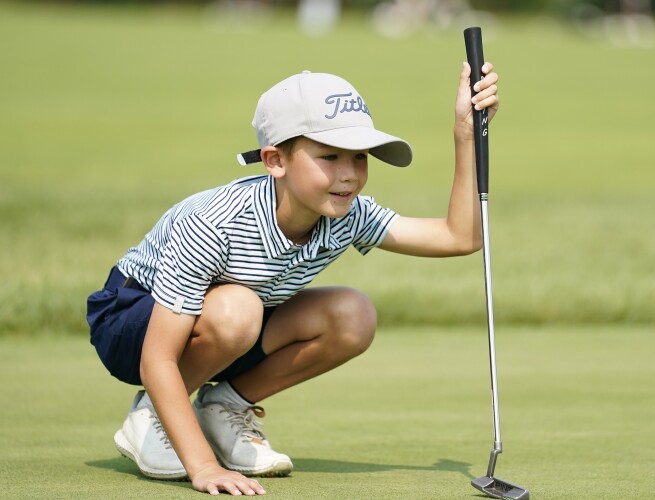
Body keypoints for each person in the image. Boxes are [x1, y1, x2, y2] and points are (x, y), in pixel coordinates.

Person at [86, 62, 500, 496]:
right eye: (330, 156)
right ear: (274, 160)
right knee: (238, 309)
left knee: (352, 315)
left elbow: (460, 236)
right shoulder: (214, 221)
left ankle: (223, 407)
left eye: (359, 157)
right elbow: (157, 357)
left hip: (227, 327)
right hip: (132, 322)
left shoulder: (347, 213)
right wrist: (204, 468)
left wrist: (466, 135)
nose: (349, 174)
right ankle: (153, 417)